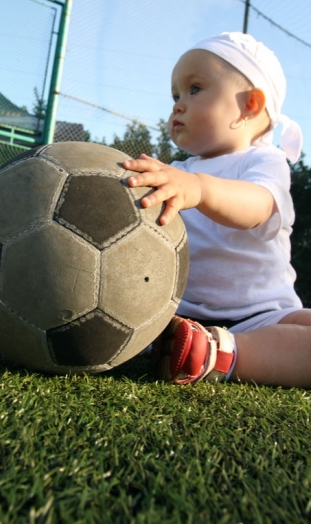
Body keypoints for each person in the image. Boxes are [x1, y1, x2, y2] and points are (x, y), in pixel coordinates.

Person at [123, 31, 311, 388]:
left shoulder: (263, 162)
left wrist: (199, 189)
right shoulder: (176, 170)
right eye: (175, 95)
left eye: (194, 89)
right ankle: (17, 316)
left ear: (250, 105)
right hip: (170, 317)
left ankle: (224, 353)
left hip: (260, 318)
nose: (178, 104)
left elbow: (257, 206)